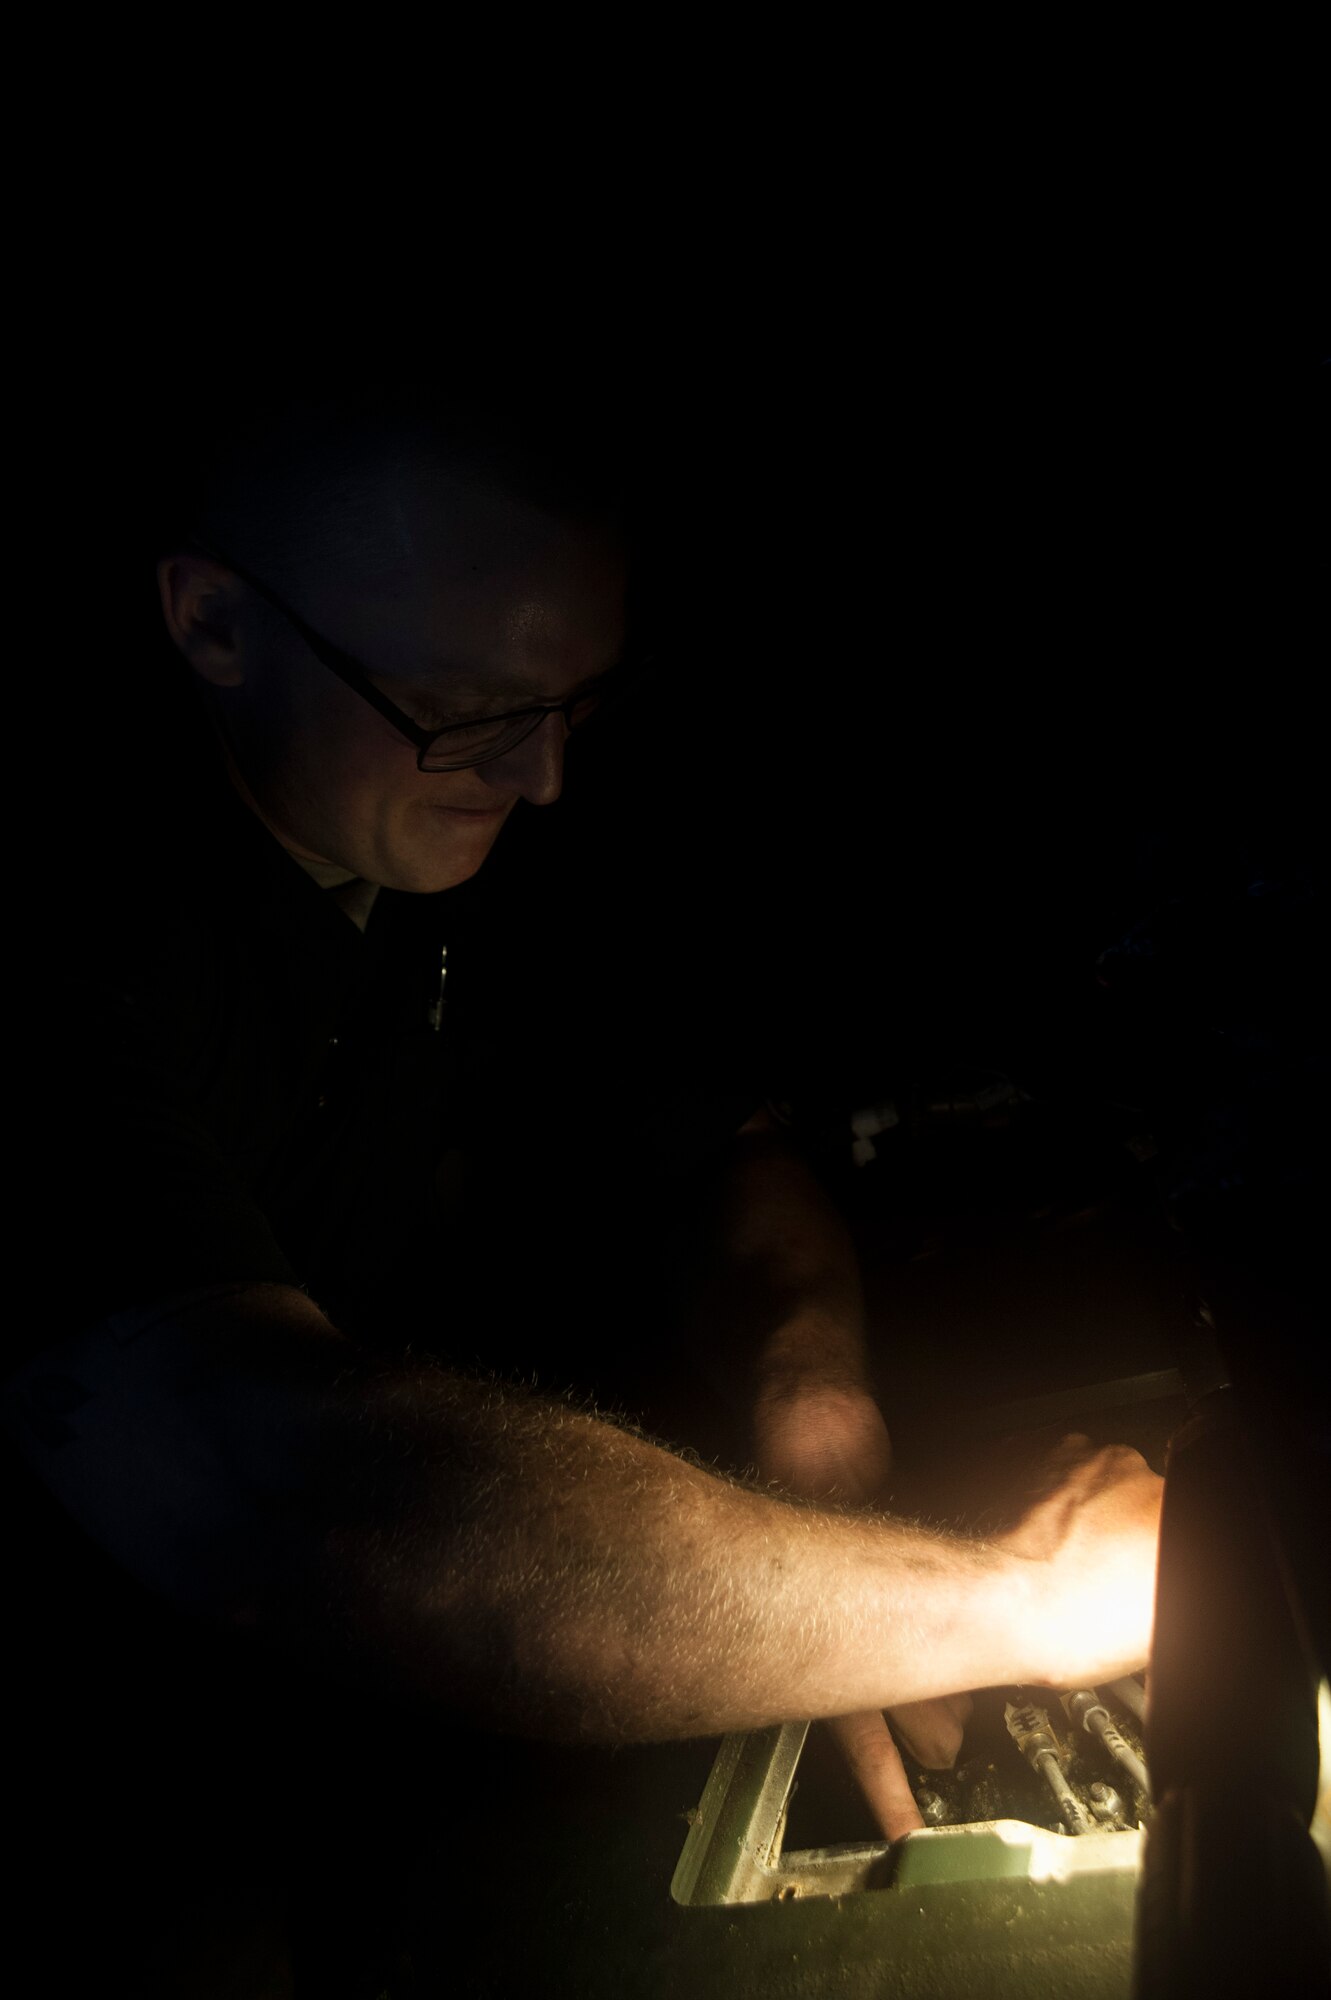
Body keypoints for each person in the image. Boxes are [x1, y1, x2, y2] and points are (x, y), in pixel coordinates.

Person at [6, 372, 1163, 1991]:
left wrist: (807, 1394)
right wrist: (1032, 1600)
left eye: (581, 704)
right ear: (211, 621)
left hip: (391, 1759)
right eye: (472, 705)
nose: (543, 776)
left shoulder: (460, 824)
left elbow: (717, 1147)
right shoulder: (62, 932)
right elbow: (291, 1495)